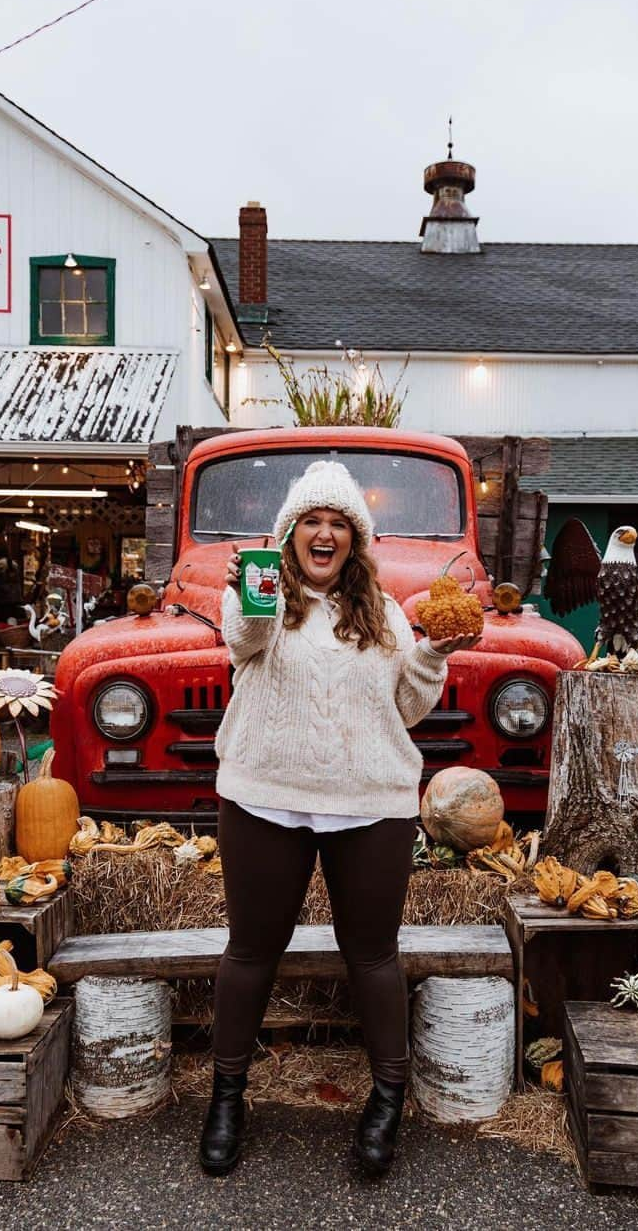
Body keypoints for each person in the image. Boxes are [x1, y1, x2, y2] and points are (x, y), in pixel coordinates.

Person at [199, 460, 480, 1178]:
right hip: (266, 795)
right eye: (311, 521)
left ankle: (387, 1097)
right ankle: (226, 1095)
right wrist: (247, 589)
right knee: (251, 950)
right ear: (289, 532)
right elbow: (245, 643)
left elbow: (407, 710)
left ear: (356, 539)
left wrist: (429, 653)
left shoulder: (382, 611)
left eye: (339, 523)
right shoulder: (261, 593)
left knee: (374, 954)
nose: (324, 534)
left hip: (370, 802)